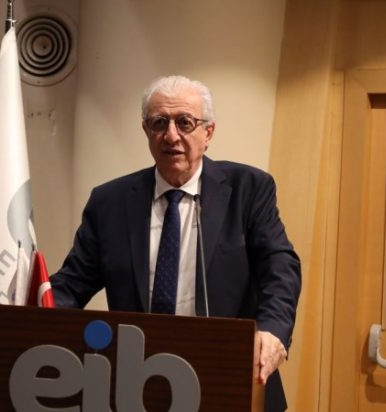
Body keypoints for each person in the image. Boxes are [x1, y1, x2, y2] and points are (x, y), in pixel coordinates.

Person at [50, 75, 301, 411]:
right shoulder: (110, 202)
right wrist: (27, 307)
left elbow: (280, 267)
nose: (171, 136)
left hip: (230, 375)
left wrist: (272, 330)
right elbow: (72, 284)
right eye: (159, 123)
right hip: (136, 382)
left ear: (208, 132)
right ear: (146, 131)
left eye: (185, 122)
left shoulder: (248, 189)